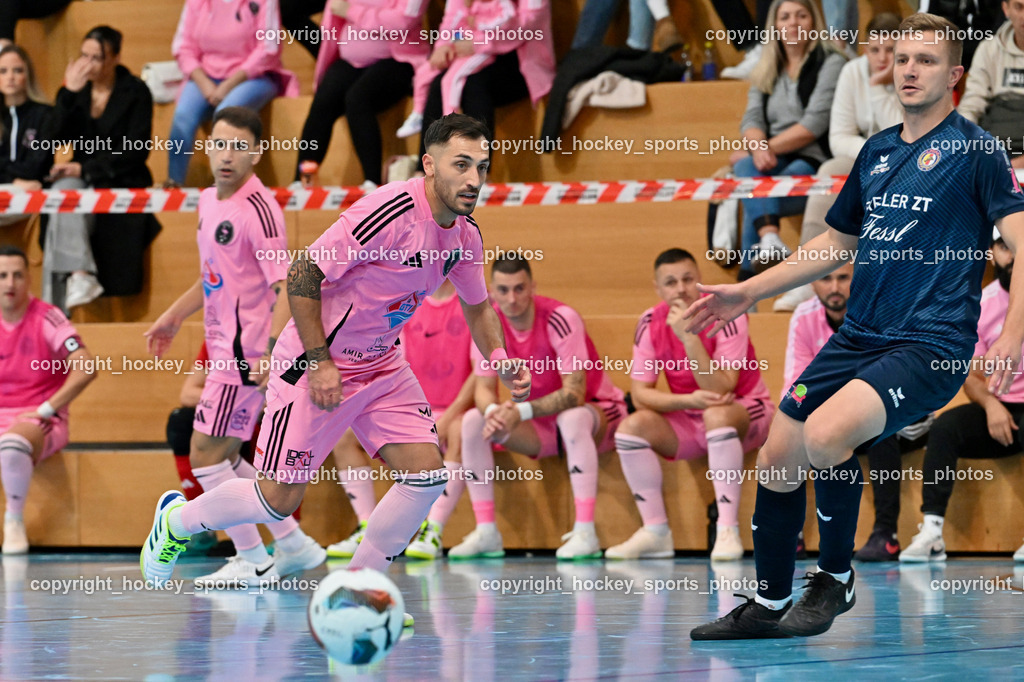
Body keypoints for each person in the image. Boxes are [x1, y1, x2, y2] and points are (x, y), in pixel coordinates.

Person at [688, 13, 1024, 640]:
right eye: (901, 58)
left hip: (932, 344)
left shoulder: (976, 149)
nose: (910, 69)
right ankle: (766, 602)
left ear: (954, 75)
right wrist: (745, 290)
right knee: (778, 457)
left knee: (826, 435)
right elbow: (834, 243)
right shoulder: (877, 150)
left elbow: (1023, 243)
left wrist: (1009, 336)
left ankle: (836, 579)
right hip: (860, 337)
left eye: (926, 60)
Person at [140, 114, 530, 595]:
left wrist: (500, 355)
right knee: (277, 499)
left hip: (383, 365)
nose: (474, 179)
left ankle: (354, 593)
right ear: (429, 165)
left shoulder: (466, 236)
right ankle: (179, 521)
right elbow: (304, 274)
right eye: (461, 165)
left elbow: (479, 305)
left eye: (482, 167)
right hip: (314, 363)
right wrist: (321, 361)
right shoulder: (388, 212)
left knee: (426, 476)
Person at [145, 107, 324, 588]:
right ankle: (291, 543)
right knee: (223, 458)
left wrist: (267, 351)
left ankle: (254, 558)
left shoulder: (259, 210)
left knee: (204, 453)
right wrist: (174, 315)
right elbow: (213, 276)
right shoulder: (207, 200)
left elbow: (285, 284)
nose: (227, 155)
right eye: (220, 144)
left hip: (246, 355)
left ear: (257, 153)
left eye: (239, 147)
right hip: (222, 346)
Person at [449, 254, 626, 561]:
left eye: (519, 288)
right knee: (473, 422)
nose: (512, 298)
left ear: (533, 287)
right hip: (540, 425)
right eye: (503, 290)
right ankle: (487, 531)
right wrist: (494, 415)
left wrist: (519, 412)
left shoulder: (561, 317)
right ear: (491, 290)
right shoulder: (487, 323)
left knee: (571, 418)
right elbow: (482, 389)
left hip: (597, 412)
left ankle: (586, 531)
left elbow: (575, 394)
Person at [606, 248, 774, 561]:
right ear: (658, 289)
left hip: (745, 409)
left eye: (687, 279)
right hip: (692, 414)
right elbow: (641, 394)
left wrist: (689, 339)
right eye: (670, 282)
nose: (680, 288)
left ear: (699, 281)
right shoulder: (649, 321)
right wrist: (687, 400)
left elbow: (723, 386)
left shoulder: (727, 312)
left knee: (716, 414)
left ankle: (727, 529)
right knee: (632, 427)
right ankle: (655, 531)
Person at [783, 263, 930, 561]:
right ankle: (791, 531)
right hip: (832, 417)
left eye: (842, 278)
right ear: (812, 283)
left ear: (857, 277)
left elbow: (894, 375)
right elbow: (797, 385)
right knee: (793, 421)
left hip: (886, 415)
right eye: (825, 278)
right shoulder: (803, 317)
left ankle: (885, 533)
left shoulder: (882, 310)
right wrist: (797, 410)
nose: (834, 287)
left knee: (880, 430)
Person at [900, 233, 1024, 562]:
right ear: (992, 253)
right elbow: (969, 375)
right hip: (998, 406)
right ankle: (932, 531)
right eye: (1003, 246)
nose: (1011, 254)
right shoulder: (981, 302)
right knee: (945, 428)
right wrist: (991, 404)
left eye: (1016, 246)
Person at [773, 13, 903, 312]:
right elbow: (838, 137)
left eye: (890, 50)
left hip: (907, 164)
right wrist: (872, 155)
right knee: (829, 171)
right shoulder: (851, 72)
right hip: (865, 158)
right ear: (864, 49)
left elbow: (906, 137)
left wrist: (879, 86)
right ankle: (803, 279)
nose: (882, 58)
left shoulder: (912, 75)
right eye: (874, 50)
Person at [45, 26, 160, 310]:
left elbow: (136, 148)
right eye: (84, 55)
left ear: (115, 58)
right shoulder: (77, 90)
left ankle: (57, 304)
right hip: (81, 177)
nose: (88, 64)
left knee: (66, 211)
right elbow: (51, 139)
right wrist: (67, 95)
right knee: (60, 195)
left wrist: (86, 170)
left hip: (119, 177)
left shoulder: (135, 92)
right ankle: (81, 274)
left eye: (96, 57)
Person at [732, 0, 845, 280]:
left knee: (754, 191)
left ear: (814, 21)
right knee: (746, 169)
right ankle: (769, 238)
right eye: (785, 17)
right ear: (775, 25)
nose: (793, 23)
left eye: (801, 15)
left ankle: (749, 278)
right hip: (771, 157)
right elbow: (751, 118)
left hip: (812, 157)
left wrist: (764, 148)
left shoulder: (831, 61)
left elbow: (813, 124)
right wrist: (757, 148)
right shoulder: (767, 65)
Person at [0, 245, 96, 554]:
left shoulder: (48, 317)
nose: (10, 283)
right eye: (2, 276)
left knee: (12, 446)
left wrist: (47, 408)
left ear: (29, 278)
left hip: (37, 418)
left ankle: (13, 520)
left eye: (17, 275)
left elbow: (87, 366)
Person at [295, 0, 429, 190]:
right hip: (351, 60)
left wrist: (352, 11)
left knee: (357, 98)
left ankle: (372, 182)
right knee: (324, 100)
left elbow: (402, 22)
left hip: (398, 60)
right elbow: (334, 9)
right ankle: (302, 179)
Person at [167, 0, 298, 187]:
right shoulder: (197, 3)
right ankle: (174, 182)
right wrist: (204, 83)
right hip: (205, 76)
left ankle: (224, 183)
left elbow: (268, 49)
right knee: (183, 116)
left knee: (227, 114)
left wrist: (228, 85)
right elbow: (183, 48)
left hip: (254, 76)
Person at [417, 0, 555, 168]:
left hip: (520, 60)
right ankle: (426, 170)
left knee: (474, 83)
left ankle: (478, 171)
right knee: (438, 83)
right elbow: (455, 19)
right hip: (475, 52)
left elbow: (529, 24)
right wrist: (445, 45)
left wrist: (481, 44)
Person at [957, 0, 1024, 167]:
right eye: (1019, 7)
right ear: (1006, 9)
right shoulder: (988, 49)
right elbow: (972, 105)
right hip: (995, 147)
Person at [0, 45, 52, 227]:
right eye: (3, 71)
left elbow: (36, 166)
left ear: (28, 75)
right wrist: (13, 180)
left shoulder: (44, 115)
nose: (10, 77)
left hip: (30, 192)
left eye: (18, 70)